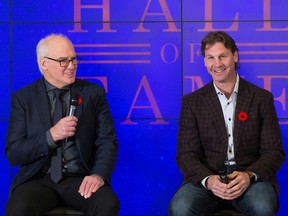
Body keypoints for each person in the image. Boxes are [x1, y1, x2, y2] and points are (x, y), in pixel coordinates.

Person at [168, 31, 285, 216]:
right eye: (210, 58)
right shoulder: (192, 102)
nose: (217, 64)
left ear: (235, 56)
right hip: (208, 182)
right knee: (181, 207)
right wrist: (209, 180)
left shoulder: (261, 98)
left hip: (251, 181)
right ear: (205, 62)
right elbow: (185, 155)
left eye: (222, 56)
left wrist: (248, 176)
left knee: (262, 206)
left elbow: (274, 152)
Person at [5, 33, 119, 216]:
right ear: (44, 64)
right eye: (63, 61)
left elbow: (107, 141)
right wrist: (50, 136)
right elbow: (14, 153)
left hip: (79, 179)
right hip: (38, 179)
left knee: (108, 203)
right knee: (17, 209)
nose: (72, 66)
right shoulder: (24, 98)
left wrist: (98, 175)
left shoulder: (93, 93)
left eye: (74, 59)